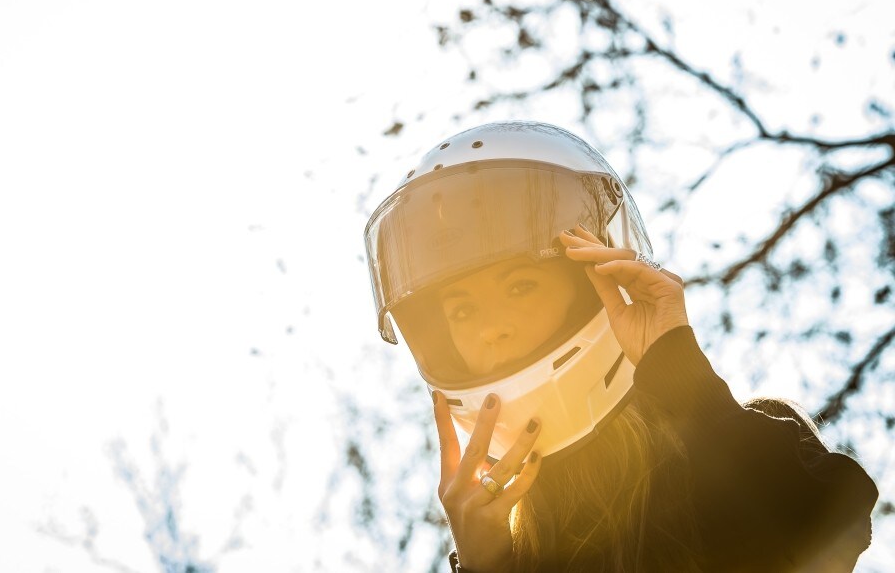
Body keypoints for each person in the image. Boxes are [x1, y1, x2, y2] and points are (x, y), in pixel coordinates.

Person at [363, 121, 877, 572]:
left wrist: (682, 377)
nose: (489, 328)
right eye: (462, 310)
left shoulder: (725, 441)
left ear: (595, 285)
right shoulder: (516, 548)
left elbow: (826, 534)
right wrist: (486, 567)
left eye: (520, 286)